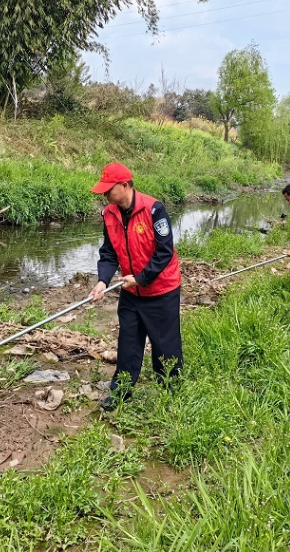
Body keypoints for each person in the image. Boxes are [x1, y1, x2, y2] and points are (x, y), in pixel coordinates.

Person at [88, 163, 183, 411]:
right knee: (128, 342)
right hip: (131, 292)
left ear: (125, 186)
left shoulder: (154, 210)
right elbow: (108, 253)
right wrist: (102, 281)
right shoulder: (109, 214)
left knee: (165, 344)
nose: (105, 194)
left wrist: (141, 278)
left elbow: (164, 252)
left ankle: (170, 392)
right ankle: (121, 393)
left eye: (109, 189)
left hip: (161, 289)